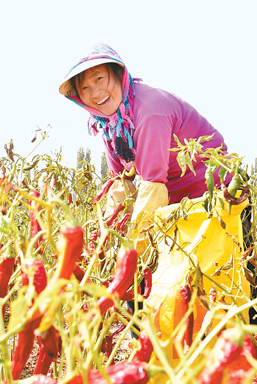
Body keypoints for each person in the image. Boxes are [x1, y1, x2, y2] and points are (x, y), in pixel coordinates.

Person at [58, 43, 230, 245]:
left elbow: (152, 185)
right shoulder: (110, 124)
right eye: (85, 88)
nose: (95, 93)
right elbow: (121, 182)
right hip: (177, 205)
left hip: (216, 197)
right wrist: (106, 238)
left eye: (99, 79)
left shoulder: (150, 112)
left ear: (118, 74)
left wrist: (134, 249)